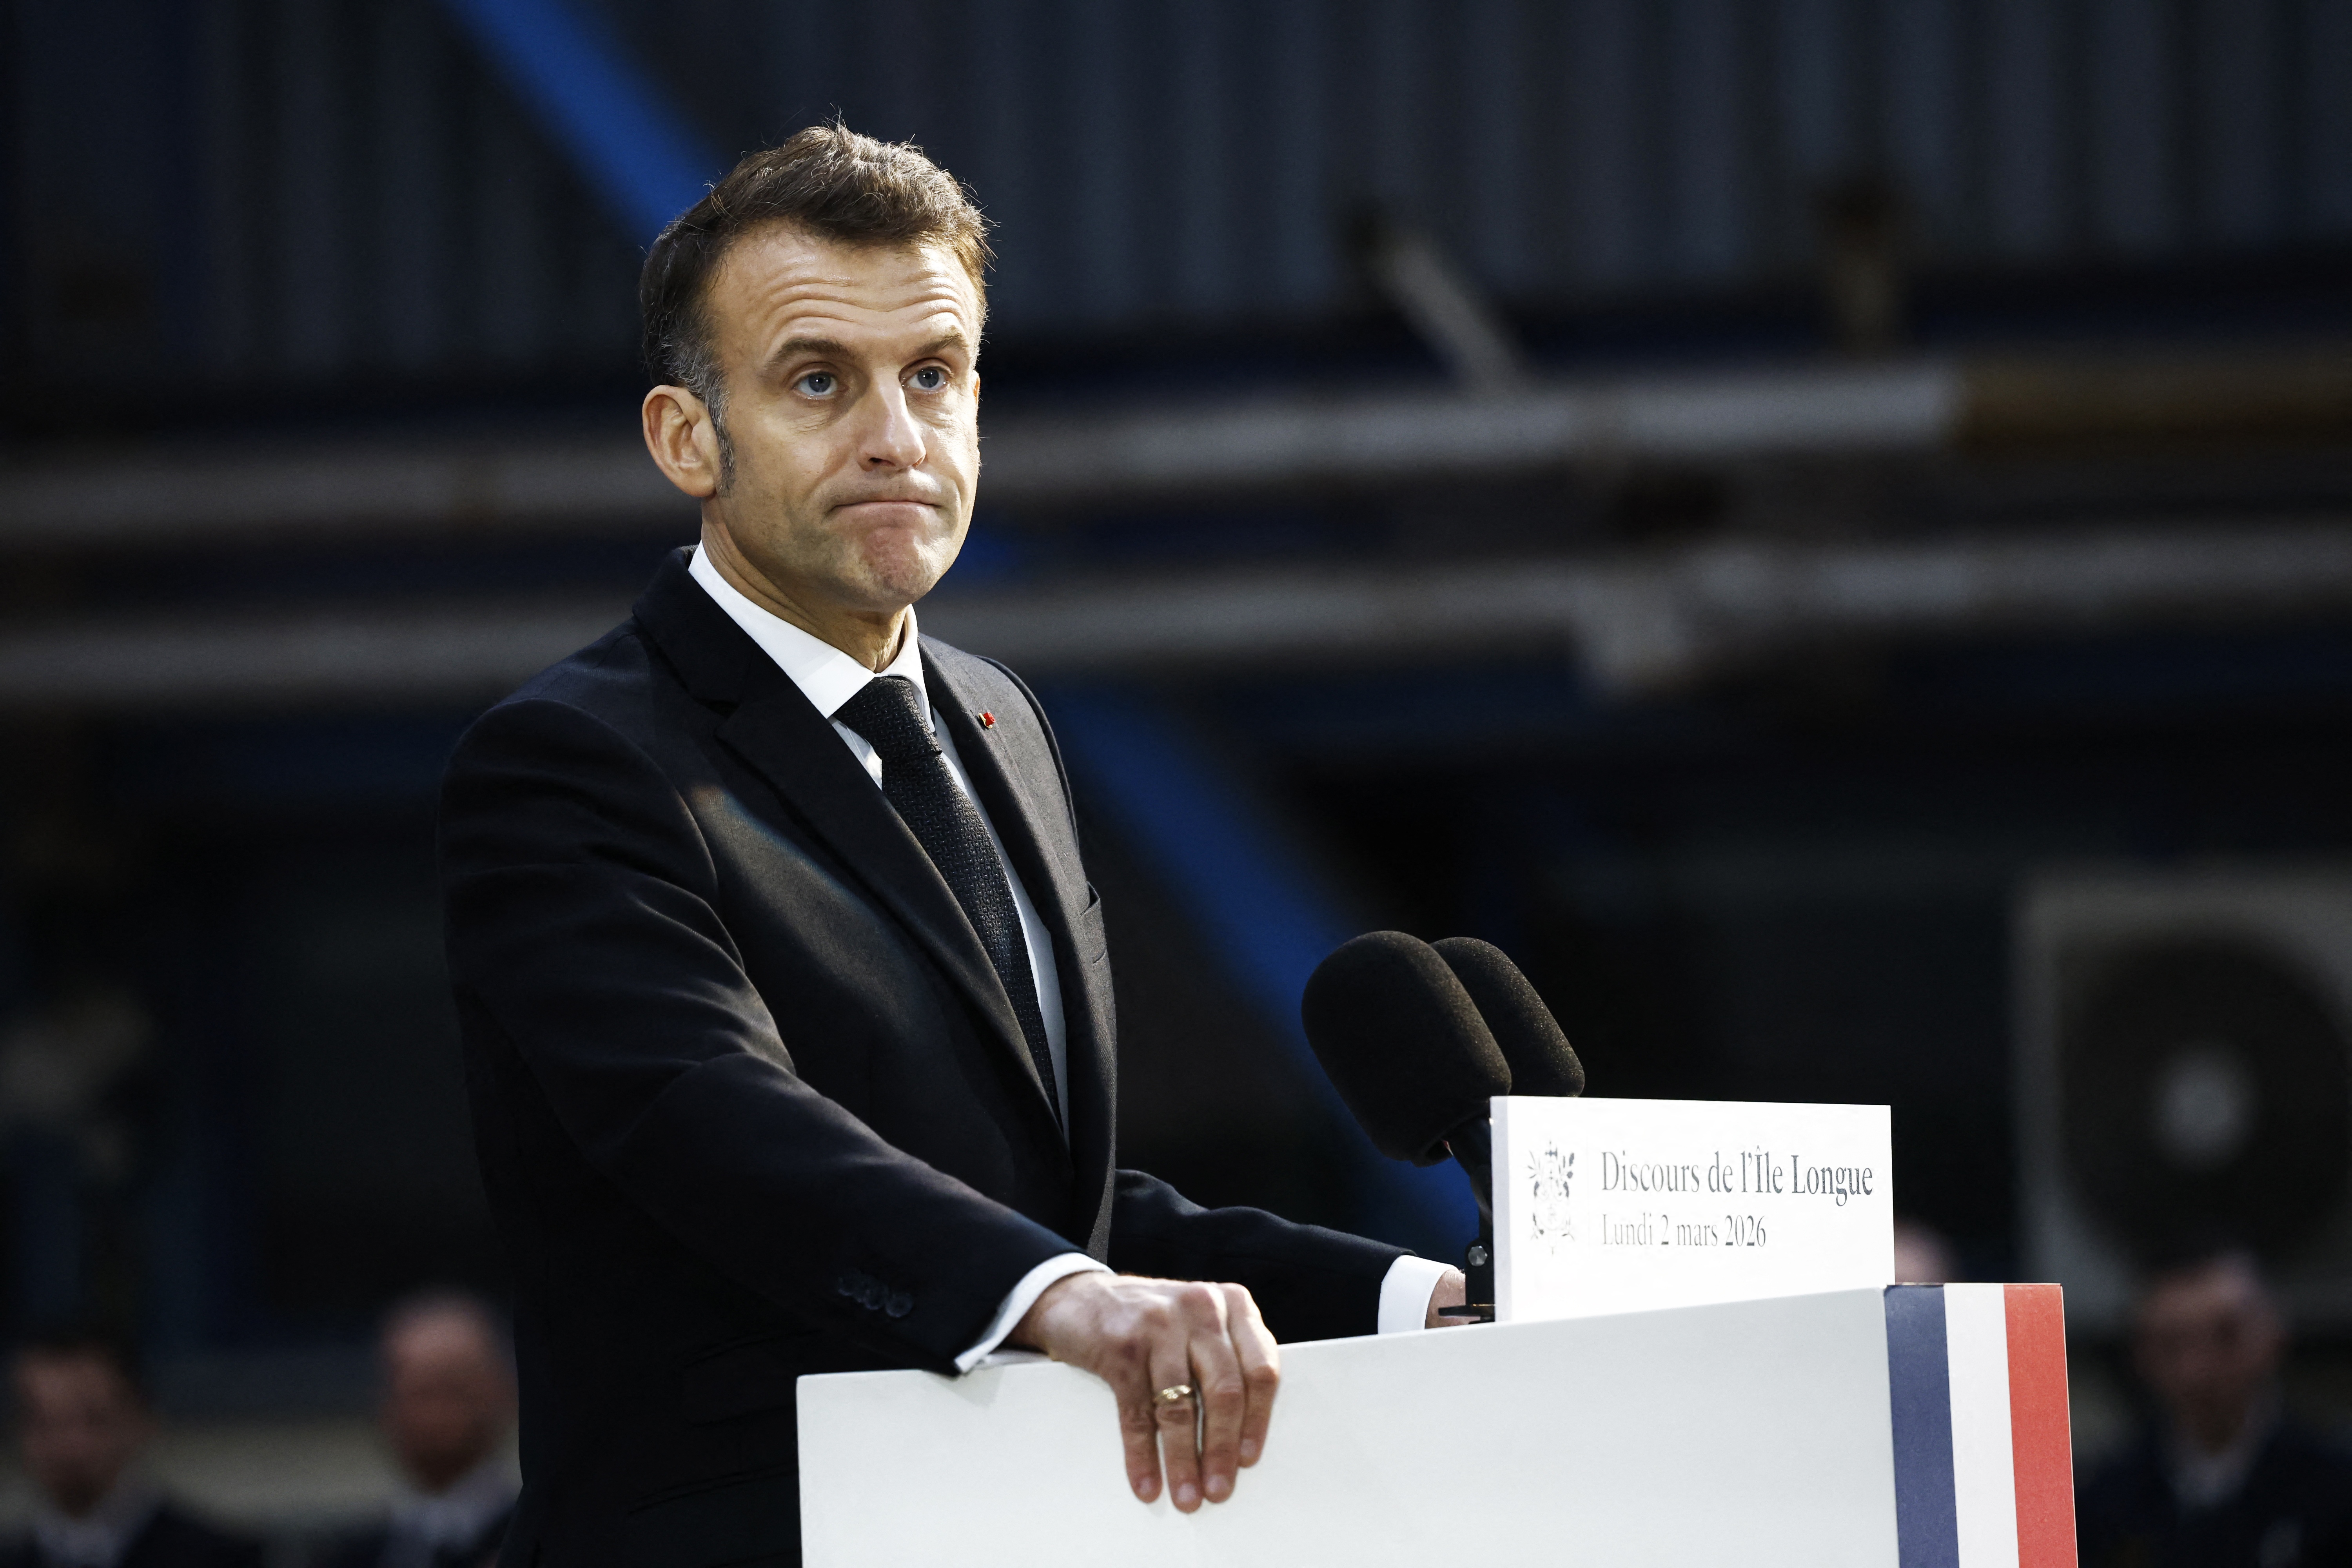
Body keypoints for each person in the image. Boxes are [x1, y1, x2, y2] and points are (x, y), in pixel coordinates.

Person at [437, 122, 1466, 1567]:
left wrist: (1422, 1302)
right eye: (817, 380)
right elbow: (714, 1121)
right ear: (686, 437)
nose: (894, 435)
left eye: (932, 375)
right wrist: (1060, 1290)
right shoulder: (570, 760)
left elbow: (1058, 1212)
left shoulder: (1002, 723)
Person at [2078, 1253, 2352, 1568]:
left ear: (2274, 1335)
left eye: (2226, 1337)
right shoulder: (2105, 1498)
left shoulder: (2336, 1485)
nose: (2197, 1370)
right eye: (2172, 1344)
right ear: (2141, 1354)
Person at [0, 1330, 259, 1568]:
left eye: (92, 1420)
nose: (67, 1445)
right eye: (43, 1424)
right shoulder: (16, 1557)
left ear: (141, 1420)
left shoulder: (219, 1558)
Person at [319, 1293, 517, 1568]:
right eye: (413, 1394)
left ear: (502, 1394)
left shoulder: (535, 1543)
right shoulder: (354, 1554)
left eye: (452, 1391)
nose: (430, 1417)